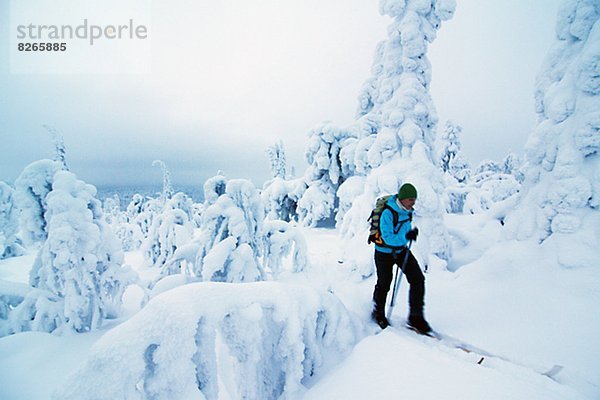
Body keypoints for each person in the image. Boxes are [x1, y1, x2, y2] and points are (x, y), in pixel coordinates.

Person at [371, 183, 431, 333]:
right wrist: (406, 236)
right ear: (402, 199)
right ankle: (378, 313)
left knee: (417, 279)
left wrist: (409, 235)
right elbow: (388, 237)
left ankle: (415, 318)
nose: (413, 203)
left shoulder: (408, 211)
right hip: (384, 252)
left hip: (401, 250)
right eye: (411, 199)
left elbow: (402, 232)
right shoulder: (388, 213)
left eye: (414, 199)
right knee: (384, 283)